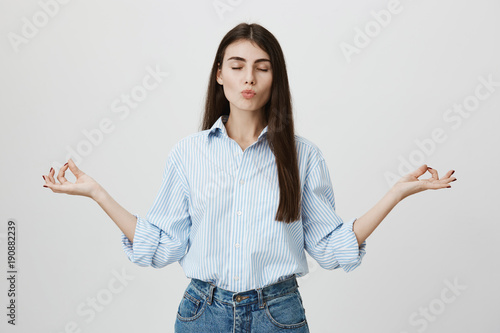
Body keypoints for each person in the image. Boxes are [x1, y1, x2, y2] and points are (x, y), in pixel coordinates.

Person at [42, 22, 457, 332]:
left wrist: (396, 194)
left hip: (279, 315)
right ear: (219, 74)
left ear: (275, 79)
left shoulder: (302, 155)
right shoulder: (188, 154)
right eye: (237, 66)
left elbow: (331, 248)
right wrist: (97, 193)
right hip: (202, 313)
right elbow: (161, 245)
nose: (249, 78)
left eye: (262, 67)